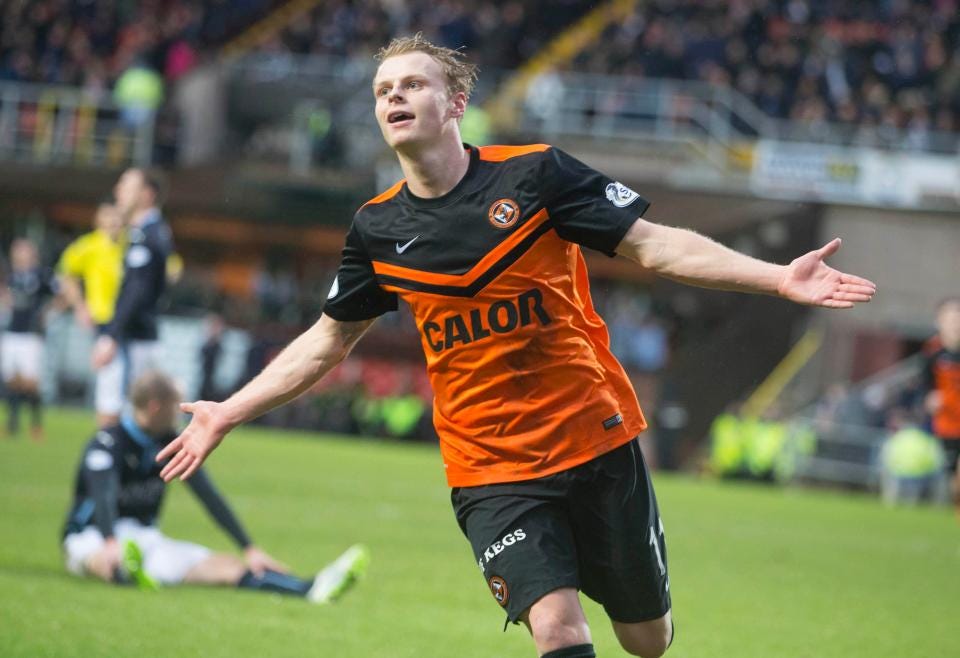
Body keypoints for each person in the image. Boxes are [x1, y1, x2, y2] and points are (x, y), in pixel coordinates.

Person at [157, 35, 877, 658]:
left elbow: (655, 247)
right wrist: (228, 410)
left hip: (595, 440)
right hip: (490, 468)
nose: (394, 98)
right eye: (382, 90)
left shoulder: (536, 175)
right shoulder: (376, 230)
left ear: (456, 99)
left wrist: (777, 277)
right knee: (558, 629)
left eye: (412, 84)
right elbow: (327, 341)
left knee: (645, 638)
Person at [62, 370, 369, 601]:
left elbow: (208, 496)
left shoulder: (170, 442)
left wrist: (249, 548)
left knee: (225, 567)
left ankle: (309, 589)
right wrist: (111, 541)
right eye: (176, 407)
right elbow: (102, 495)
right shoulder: (108, 443)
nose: (180, 416)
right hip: (93, 535)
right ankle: (121, 571)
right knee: (101, 560)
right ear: (156, 407)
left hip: (145, 539)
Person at [91, 168, 174, 399]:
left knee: (126, 416)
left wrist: (111, 335)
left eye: (126, 186)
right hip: (137, 336)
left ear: (147, 194)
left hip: (136, 339)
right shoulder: (142, 232)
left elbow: (138, 289)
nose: (118, 191)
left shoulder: (148, 235)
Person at [57, 201, 126, 427]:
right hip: (105, 320)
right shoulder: (89, 245)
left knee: (126, 382)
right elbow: (66, 273)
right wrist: (80, 306)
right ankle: (107, 431)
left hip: (129, 320)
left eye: (116, 218)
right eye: (108, 217)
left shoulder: (129, 243)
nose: (113, 223)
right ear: (98, 220)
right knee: (110, 378)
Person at [1, 239, 58, 440]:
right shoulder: (12, 276)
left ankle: (36, 425)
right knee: (12, 381)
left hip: (31, 335)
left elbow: (60, 294)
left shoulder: (42, 275)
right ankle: (12, 423)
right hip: (11, 333)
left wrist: (48, 312)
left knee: (31, 382)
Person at [921, 297, 960, 511]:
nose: (956, 322)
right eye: (951, 317)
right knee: (955, 483)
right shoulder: (932, 354)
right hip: (947, 427)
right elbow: (925, 389)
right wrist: (930, 399)